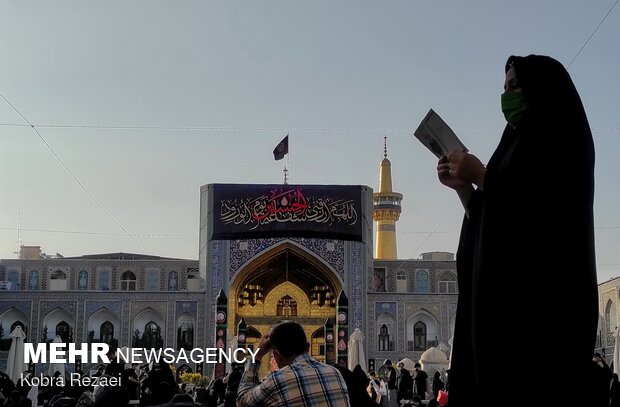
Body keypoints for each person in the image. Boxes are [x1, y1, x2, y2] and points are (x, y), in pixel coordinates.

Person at [436, 54, 598, 406]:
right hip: (503, 320)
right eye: (504, 87)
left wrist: (481, 175)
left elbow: (540, 208)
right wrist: (464, 187)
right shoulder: (513, 143)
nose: (507, 95)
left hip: (542, 315)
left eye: (514, 86)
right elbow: (494, 218)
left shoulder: (563, 137)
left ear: (541, 89)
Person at [236, 320, 351, 406]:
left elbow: (242, 402)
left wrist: (257, 355)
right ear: (308, 347)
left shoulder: (277, 380)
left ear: (276, 355)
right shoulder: (335, 373)